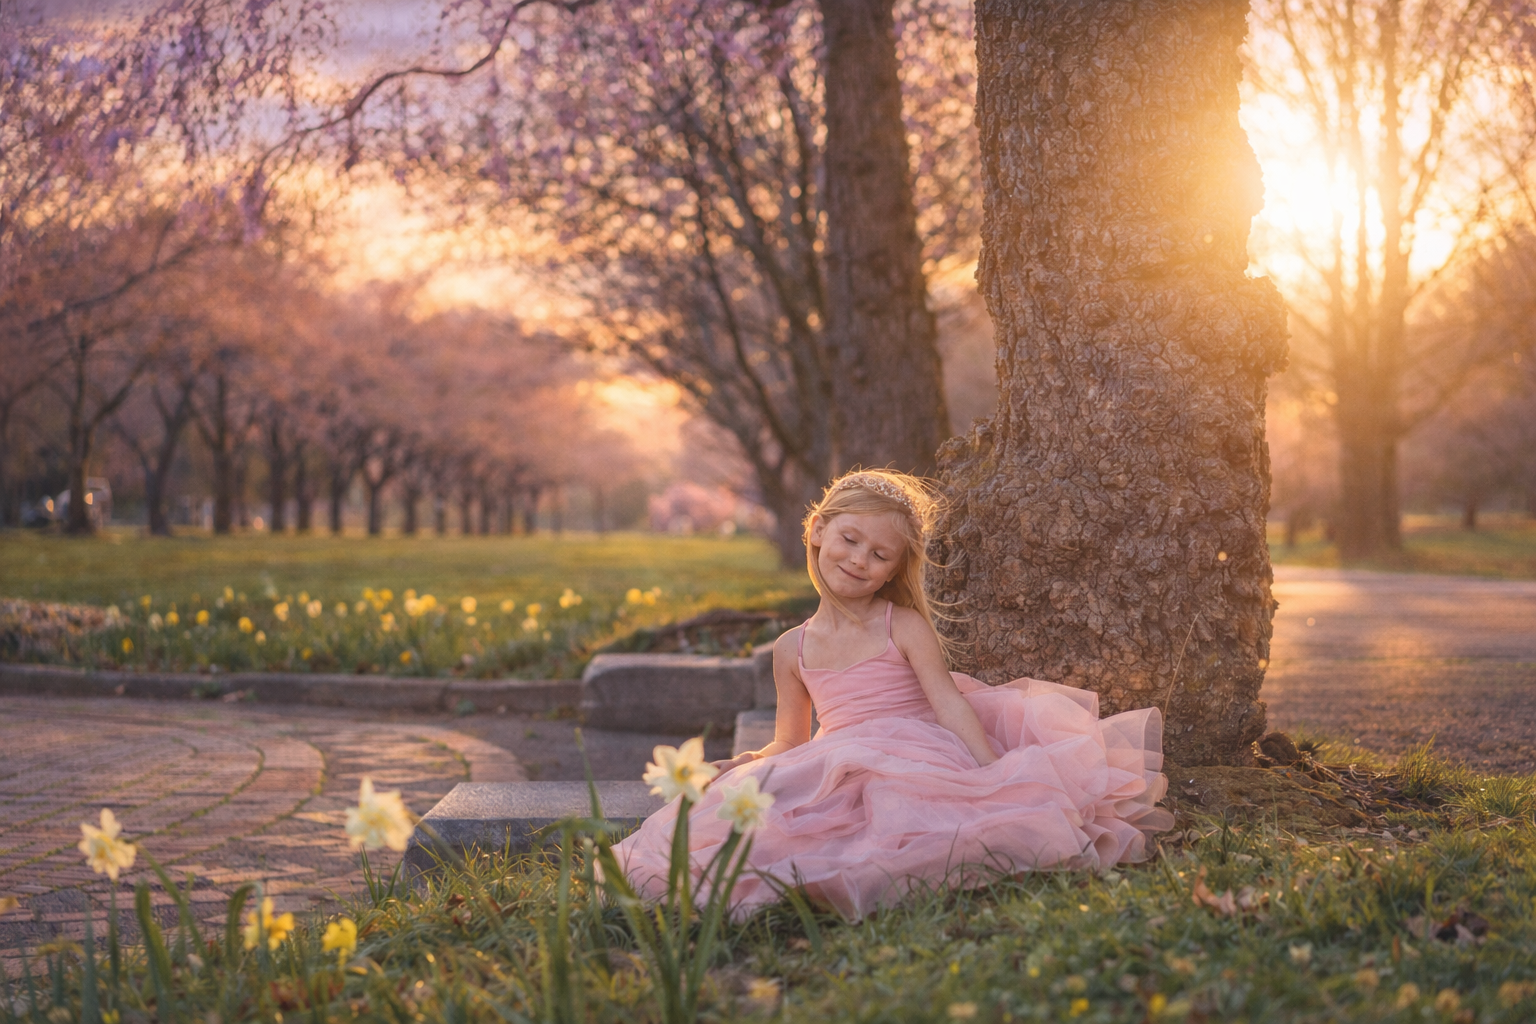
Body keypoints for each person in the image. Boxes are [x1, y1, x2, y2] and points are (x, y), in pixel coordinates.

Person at [613, 469, 1173, 920]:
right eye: (849, 540)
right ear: (817, 531)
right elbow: (789, 738)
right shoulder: (792, 649)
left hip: (921, 749)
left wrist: (994, 770)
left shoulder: (900, 625)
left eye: (879, 555)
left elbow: (948, 701)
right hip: (842, 759)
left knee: (911, 828)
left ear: (893, 571)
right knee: (767, 816)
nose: (859, 559)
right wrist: (747, 762)